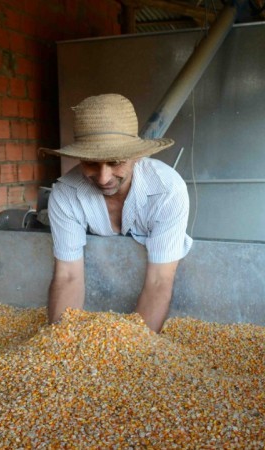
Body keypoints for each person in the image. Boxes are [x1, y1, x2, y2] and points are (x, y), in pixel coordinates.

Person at [41, 93, 192, 333]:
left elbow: (159, 280)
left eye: (115, 162)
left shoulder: (167, 190)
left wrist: (132, 348)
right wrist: (61, 341)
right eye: (91, 163)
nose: (103, 178)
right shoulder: (66, 194)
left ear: (136, 156)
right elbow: (68, 275)